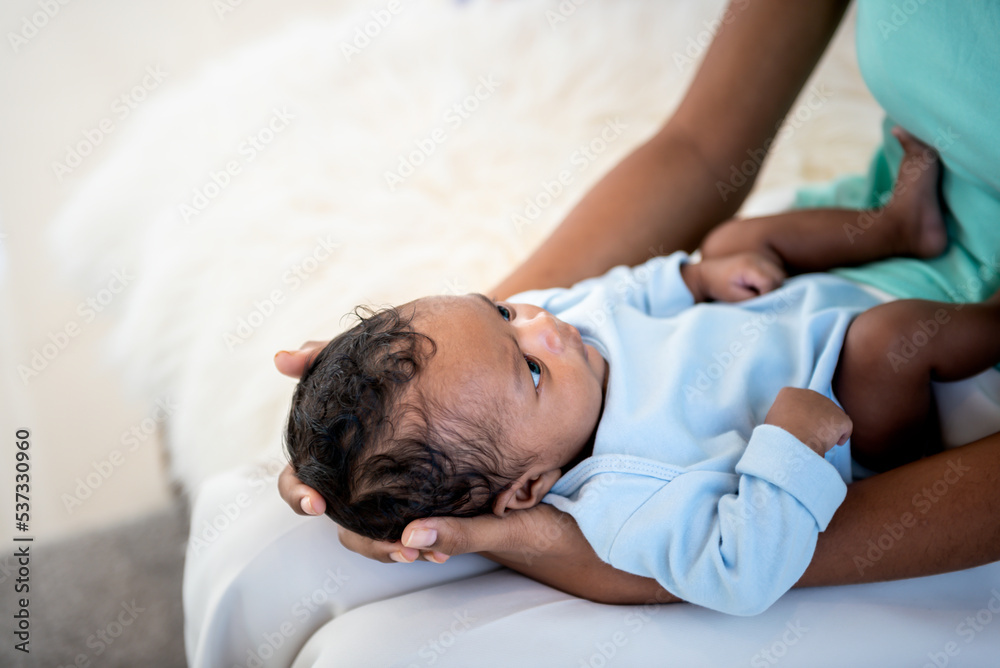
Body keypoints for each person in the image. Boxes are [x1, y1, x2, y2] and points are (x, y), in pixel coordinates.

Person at [276, 0, 1000, 606]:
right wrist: (790, 448)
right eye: (530, 369)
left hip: (804, 303)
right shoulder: (622, 497)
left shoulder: (566, 342)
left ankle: (898, 228)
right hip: (852, 404)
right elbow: (737, 569)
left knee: (731, 240)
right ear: (529, 488)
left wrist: (698, 282)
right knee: (890, 341)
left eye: (501, 314)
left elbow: (628, 289)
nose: (544, 324)